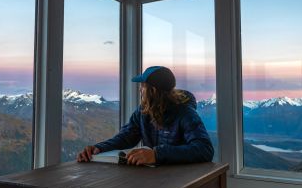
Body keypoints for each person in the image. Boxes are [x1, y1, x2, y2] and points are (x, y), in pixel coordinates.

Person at [76, 66, 214, 166]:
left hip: (180, 180)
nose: (140, 90)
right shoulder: (143, 111)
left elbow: (205, 149)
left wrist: (156, 155)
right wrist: (99, 148)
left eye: (142, 86)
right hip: (154, 178)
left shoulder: (185, 113)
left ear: (152, 90)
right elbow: (126, 137)